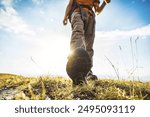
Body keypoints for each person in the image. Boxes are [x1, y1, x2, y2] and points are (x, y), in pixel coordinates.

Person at [63, 0, 110, 81]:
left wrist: (105, 3)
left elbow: (97, 10)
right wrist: (65, 16)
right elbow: (70, 4)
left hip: (91, 16)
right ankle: (76, 64)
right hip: (77, 12)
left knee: (89, 43)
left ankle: (87, 71)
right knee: (78, 33)